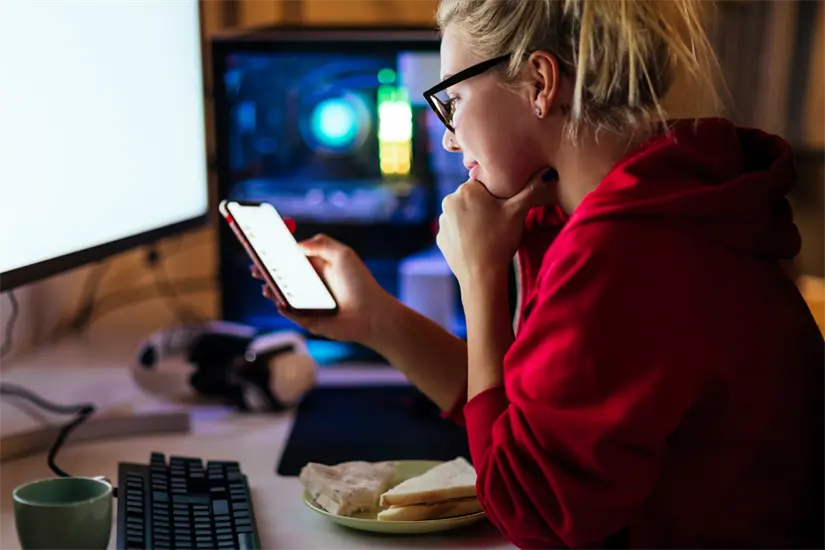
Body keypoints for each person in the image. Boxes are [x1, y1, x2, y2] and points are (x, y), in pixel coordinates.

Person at [253, 0, 825, 548]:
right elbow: (528, 421)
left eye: (454, 99)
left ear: (540, 82)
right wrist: (374, 319)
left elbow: (531, 511)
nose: (448, 135)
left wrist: (480, 278)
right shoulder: (649, 200)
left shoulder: (628, 247)